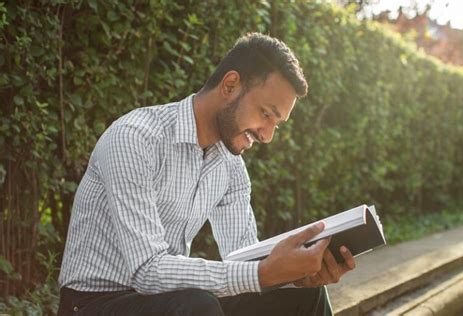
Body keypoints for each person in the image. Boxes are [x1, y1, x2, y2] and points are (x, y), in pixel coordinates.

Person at [58, 32, 356, 316]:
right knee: (197, 307)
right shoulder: (135, 138)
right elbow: (147, 270)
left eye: (276, 123)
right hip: (92, 305)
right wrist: (262, 272)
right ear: (229, 86)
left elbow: (244, 260)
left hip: (170, 302)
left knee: (303, 298)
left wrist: (294, 274)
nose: (267, 136)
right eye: (266, 113)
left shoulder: (230, 166)